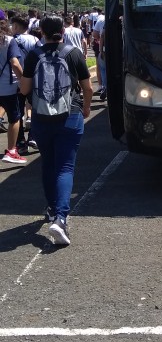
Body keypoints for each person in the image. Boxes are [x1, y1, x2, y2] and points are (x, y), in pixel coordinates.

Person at [20, 15, 93, 246]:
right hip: (70, 114)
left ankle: (52, 209)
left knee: (48, 163)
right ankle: (61, 219)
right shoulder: (73, 53)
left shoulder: (34, 55)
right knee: (65, 167)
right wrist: (86, 109)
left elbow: (24, 89)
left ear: (40, 31)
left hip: (41, 117)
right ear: (63, 30)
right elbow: (87, 86)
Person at [10, 13, 40, 152]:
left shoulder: (11, 40)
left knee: (18, 112)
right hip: (33, 79)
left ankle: (21, 143)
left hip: (17, 80)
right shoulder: (35, 39)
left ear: (15, 26)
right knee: (35, 107)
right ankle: (33, 136)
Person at [0, 19, 26, 164]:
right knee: (14, 118)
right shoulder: (8, 41)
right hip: (7, 87)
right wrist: (23, 80)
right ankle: (11, 150)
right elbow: (15, 63)